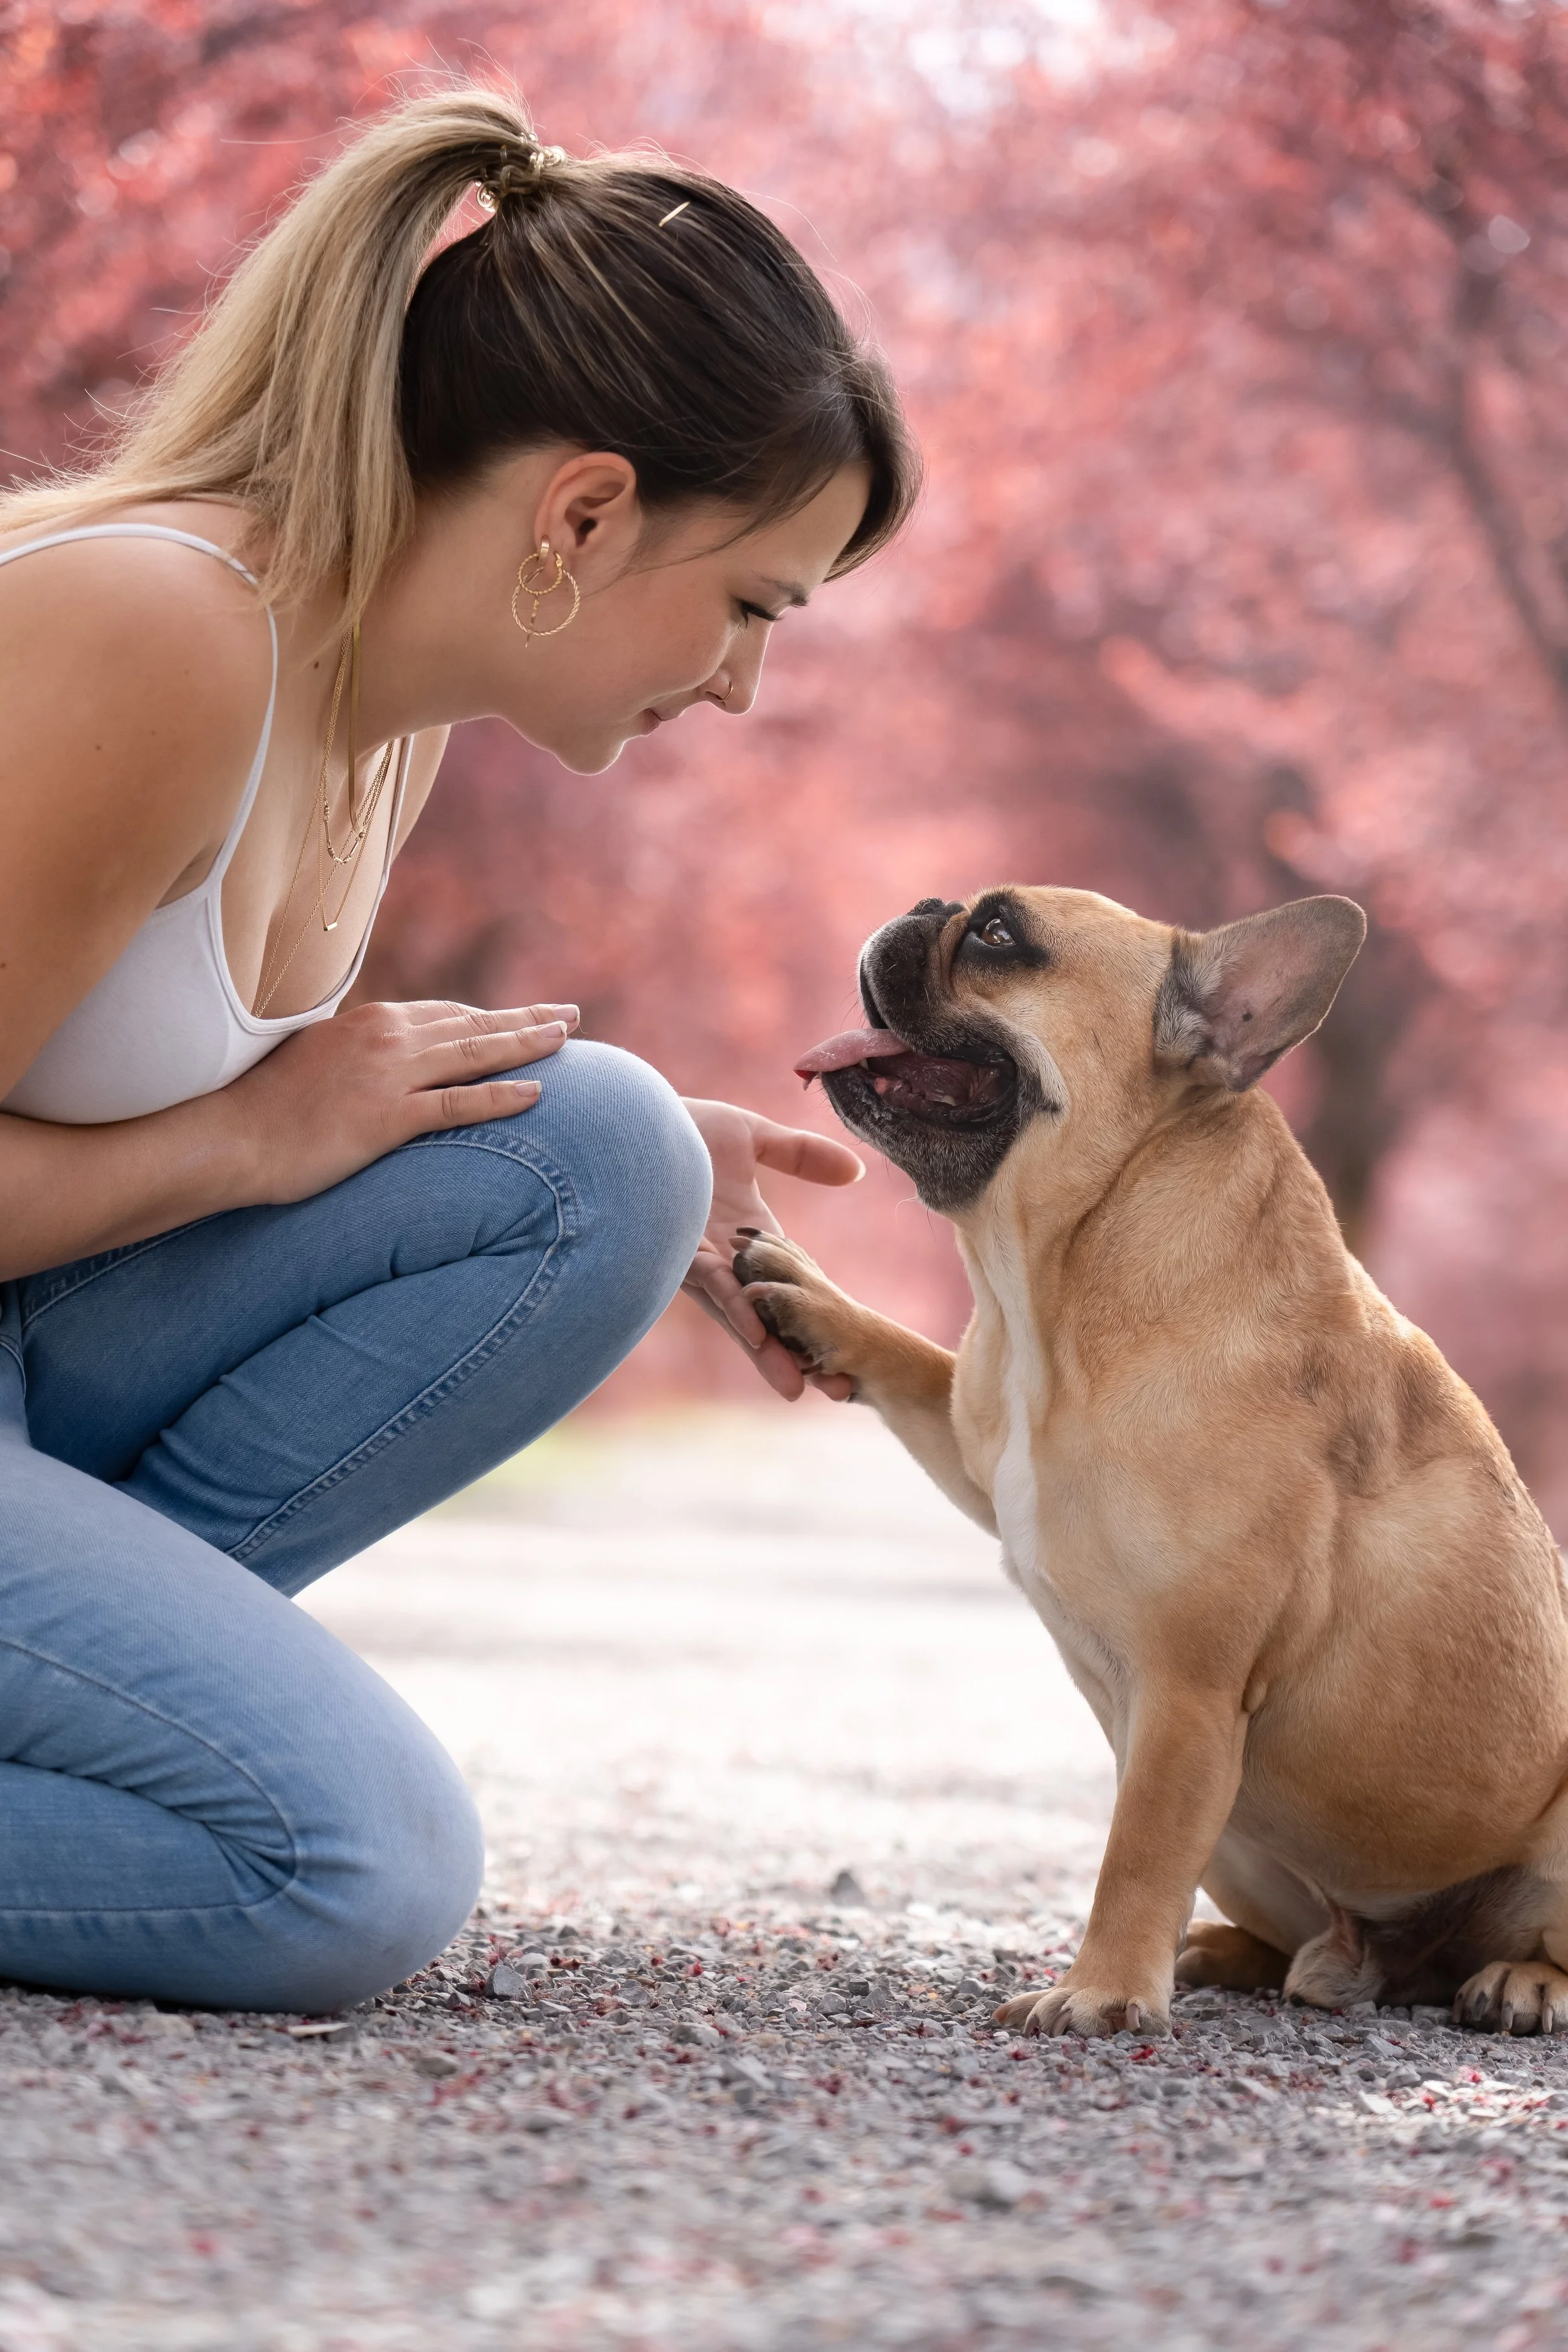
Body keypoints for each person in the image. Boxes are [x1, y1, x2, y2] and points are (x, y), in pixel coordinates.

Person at [0, 86, 919, 2012]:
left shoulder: (375, 713)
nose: (746, 684)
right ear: (582, 510)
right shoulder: (150, 631)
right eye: (753, 602)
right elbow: (241, 1137)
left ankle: (119, 1731)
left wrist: (592, 1159)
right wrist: (254, 1145)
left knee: (596, 1147)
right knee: (343, 1862)